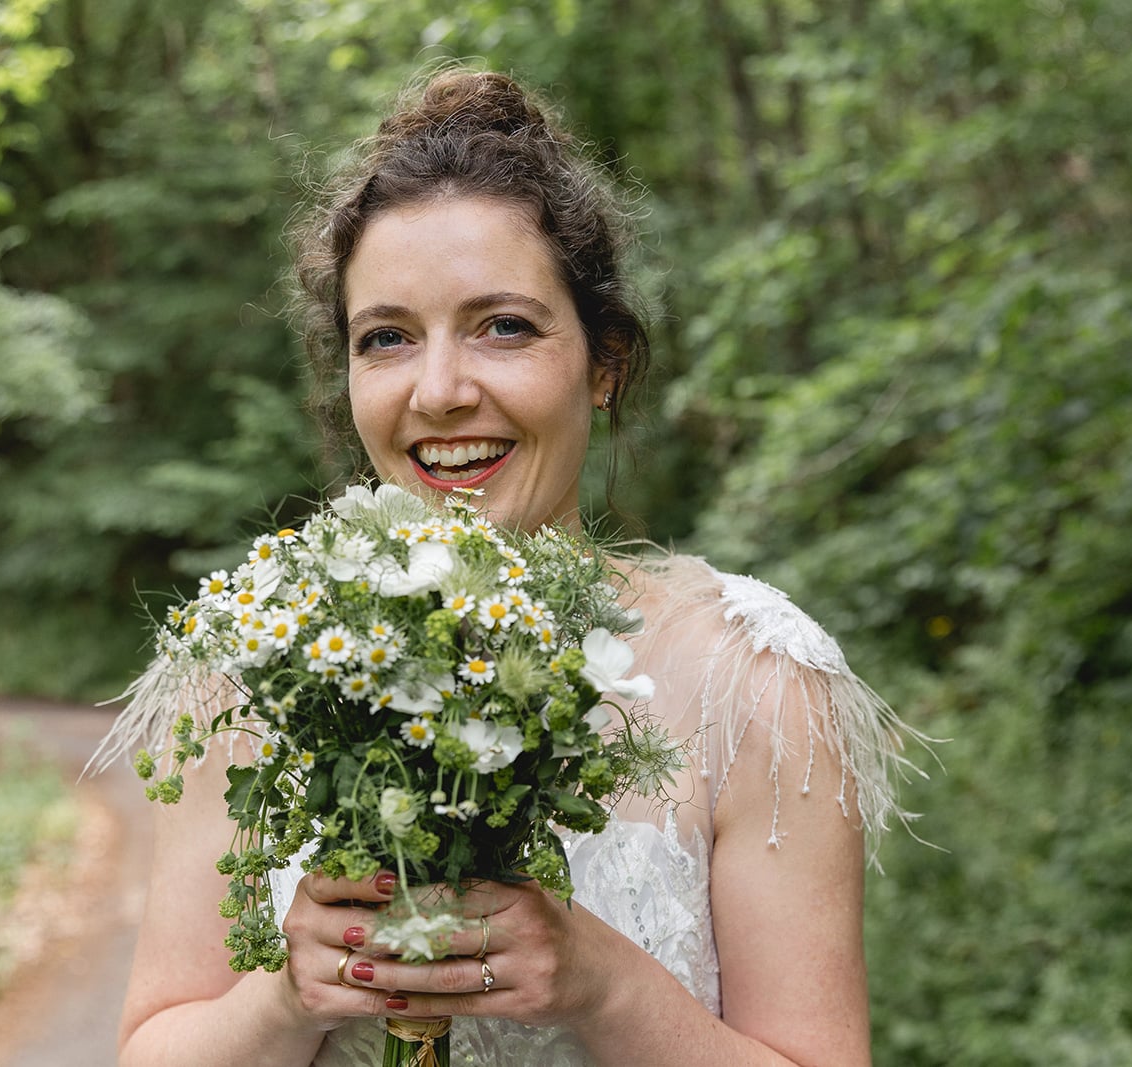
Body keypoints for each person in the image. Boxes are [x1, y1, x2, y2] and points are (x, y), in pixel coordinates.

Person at [104, 68, 923, 1067]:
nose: (440, 391)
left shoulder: (751, 685)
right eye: (388, 338)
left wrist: (602, 985)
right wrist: (283, 998)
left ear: (604, 362)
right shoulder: (246, 669)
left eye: (504, 326)